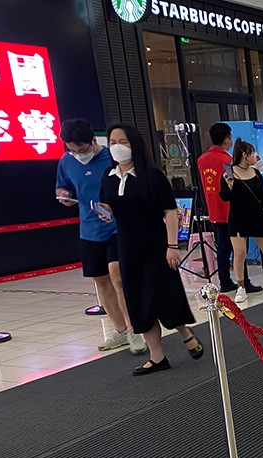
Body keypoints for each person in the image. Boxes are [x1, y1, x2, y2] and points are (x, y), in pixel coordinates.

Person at [98, 124, 203, 376]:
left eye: (123, 141)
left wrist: (172, 246)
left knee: (162, 295)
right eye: (112, 142)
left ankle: (184, 332)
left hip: (156, 246)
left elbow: (170, 212)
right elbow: (109, 205)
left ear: (134, 144)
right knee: (139, 302)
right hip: (127, 248)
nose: (117, 147)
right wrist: (104, 212)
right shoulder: (108, 177)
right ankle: (157, 356)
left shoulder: (152, 176)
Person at [56, 118, 146, 355]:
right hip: (89, 229)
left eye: (81, 149)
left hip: (118, 227)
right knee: (101, 280)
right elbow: (61, 186)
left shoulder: (112, 158)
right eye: (72, 150)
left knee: (118, 277)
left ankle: (134, 329)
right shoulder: (66, 162)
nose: (78, 155)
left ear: (93, 141)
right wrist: (64, 195)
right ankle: (120, 330)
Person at [196, 123, 262, 295]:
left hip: (215, 210)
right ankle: (244, 282)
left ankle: (224, 281)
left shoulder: (202, 160)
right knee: (240, 250)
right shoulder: (228, 161)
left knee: (223, 248)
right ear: (226, 140)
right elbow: (235, 186)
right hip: (232, 211)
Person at [220, 138, 263, 303]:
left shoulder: (256, 173)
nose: (254, 156)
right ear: (244, 155)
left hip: (257, 217)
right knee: (239, 253)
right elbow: (224, 197)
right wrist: (229, 186)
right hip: (237, 219)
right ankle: (241, 287)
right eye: (251, 153)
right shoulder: (229, 173)